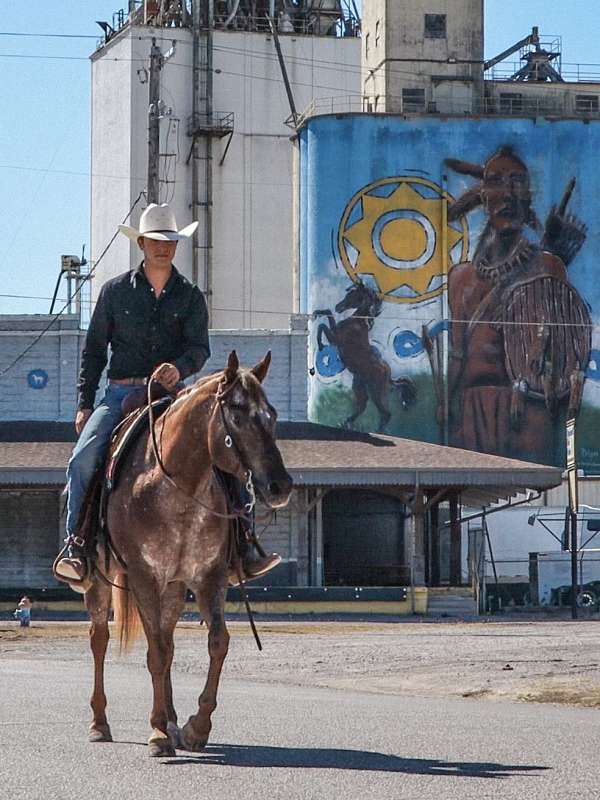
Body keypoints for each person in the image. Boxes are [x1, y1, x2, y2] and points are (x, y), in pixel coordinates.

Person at [54, 203, 280, 585]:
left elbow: (199, 348)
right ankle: (77, 546)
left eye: (170, 241)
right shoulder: (113, 292)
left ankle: (243, 547)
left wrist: (180, 367)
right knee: (82, 459)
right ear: (141, 243)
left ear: (177, 245)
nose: (163, 247)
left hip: (173, 396)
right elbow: (94, 351)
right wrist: (84, 403)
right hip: (120, 394)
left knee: (228, 451)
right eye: (156, 241)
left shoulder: (190, 296)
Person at [445, 147, 588, 463]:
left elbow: (565, 352)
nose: (507, 192)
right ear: (483, 197)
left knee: (525, 493)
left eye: (517, 181)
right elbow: (456, 354)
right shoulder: (460, 278)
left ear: (528, 196)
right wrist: (446, 409)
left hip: (528, 412)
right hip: (473, 413)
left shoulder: (549, 268)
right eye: (495, 181)